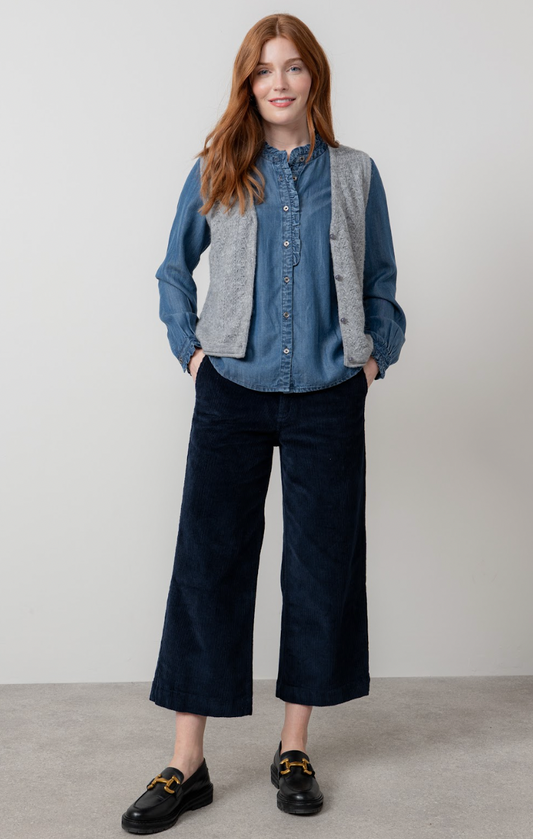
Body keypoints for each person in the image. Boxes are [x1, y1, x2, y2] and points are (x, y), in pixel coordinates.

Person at [122, 12, 406, 834]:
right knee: (207, 567)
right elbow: (173, 268)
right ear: (247, 85)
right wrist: (191, 352)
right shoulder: (218, 166)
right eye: (262, 70)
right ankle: (187, 761)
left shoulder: (355, 173)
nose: (278, 82)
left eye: (292, 67)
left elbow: (381, 277)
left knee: (318, 571)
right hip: (232, 393)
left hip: (327, 394)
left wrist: (373, 355)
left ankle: (293, 747)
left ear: (314, 76)